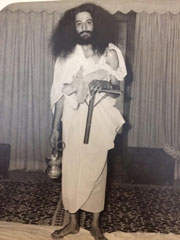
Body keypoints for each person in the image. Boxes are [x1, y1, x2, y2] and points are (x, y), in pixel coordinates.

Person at [49, 3, 127, 240]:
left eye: (88, 22)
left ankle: (94, 224)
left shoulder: (110, 51)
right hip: (72, 120)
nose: (84, 27)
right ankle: (72, 223)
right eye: (79, 23)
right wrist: (54, 127)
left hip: (99, 118)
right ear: (72, 27)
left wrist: (102, 83)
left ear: (97, 24)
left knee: (97, 170)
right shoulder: (65, 56)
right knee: (72, 170)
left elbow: (117, 88)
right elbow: (59, 94)